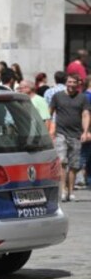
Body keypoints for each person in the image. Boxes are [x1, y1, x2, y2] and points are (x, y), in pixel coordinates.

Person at [49, 73, 91, 202]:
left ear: (78, 84)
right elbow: (49, 112)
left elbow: (85, 115)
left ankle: (71, 191)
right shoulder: (58, 96)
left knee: (73, 165)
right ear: (66, 83)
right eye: (69, 82)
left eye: (74, 82)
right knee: (62, 162)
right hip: (61, 133)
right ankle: (63, 191)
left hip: (76, 134)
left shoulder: (82, 98)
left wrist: (85, 131)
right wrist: (49, 130)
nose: (71, 85)